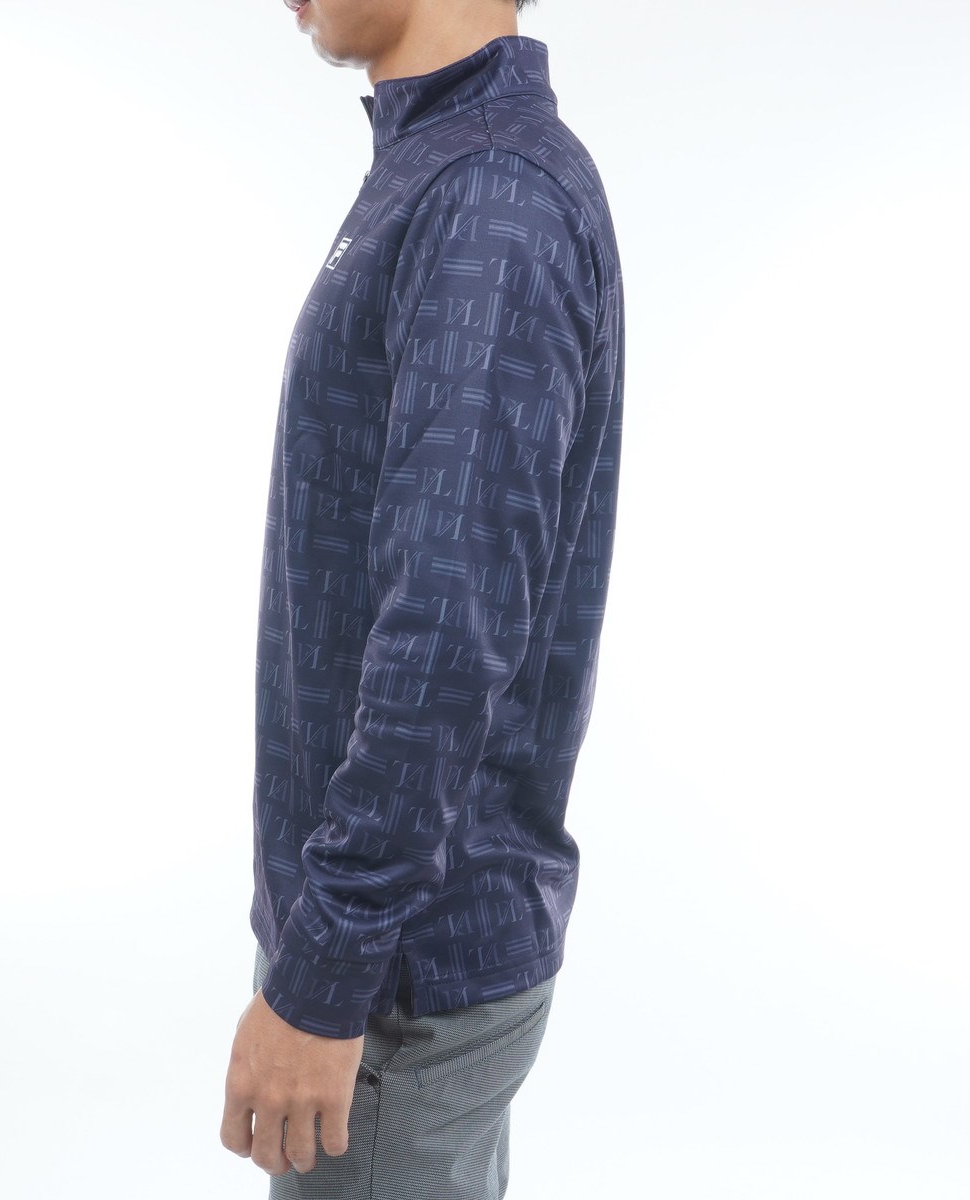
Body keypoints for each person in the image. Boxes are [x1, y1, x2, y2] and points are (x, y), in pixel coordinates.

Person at [220, 1, 624, 1195]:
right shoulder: (444, 165)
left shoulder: (493, 194)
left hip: (397, 978)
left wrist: (324, 972)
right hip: (388, 958)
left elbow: (446, 629)